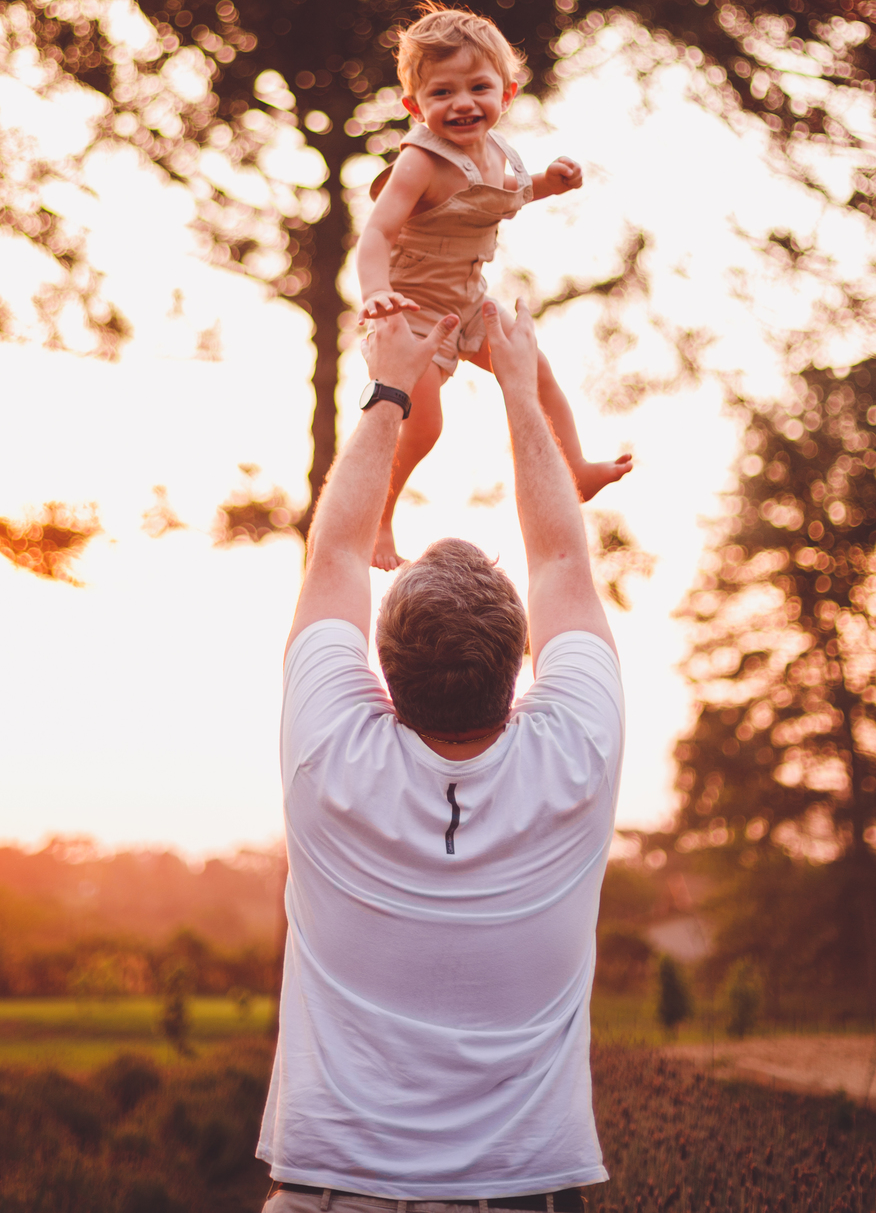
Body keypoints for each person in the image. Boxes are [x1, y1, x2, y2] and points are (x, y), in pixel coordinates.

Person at [257, 296, 626, 1213]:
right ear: (518, 666)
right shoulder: (576, 756)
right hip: (524, 1195)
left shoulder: (329, 756)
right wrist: (520, 388)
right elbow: (562, 564)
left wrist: (390, 387)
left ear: (383, 674)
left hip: (332, 1194)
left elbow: (336, 553)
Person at [356, 2, 631, 569]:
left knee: (533, 367)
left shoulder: (495, 153)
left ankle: (576, 470)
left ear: (506, 94)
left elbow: (508, 191)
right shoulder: (418, 162)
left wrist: (551, 182)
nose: (462, 103)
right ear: (415, 106)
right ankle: (376, 519)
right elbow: (377, 233)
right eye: (442, 93)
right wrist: (376, 294)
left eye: (478, 88)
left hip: (467, 301)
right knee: (423, 425)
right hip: (411, 312)